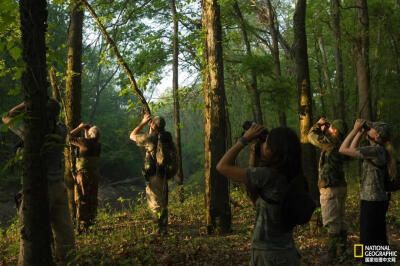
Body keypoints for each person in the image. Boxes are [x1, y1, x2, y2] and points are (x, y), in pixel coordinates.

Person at [2, 99, 75, 266]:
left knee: (31, 232)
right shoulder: (61, 130)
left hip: (38, 189)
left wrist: (25, 104)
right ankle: (68, 261)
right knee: (64, 230)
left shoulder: (31, 133)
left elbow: (7, 117)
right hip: (58, 186)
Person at [217, 125, 302, 266]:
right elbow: (255, 197)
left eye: (265, 143)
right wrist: (254, 155)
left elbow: (222, 166)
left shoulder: (268, 176)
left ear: (273, 151)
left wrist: (244, 140)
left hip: (268, 257)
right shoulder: (292, 175)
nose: (262, 145)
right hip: (288, 253)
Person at [339, 119, 394, 265]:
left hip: (373, 201)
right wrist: (359, 132)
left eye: (373, 129)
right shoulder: (375, 150)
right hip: (374, 200)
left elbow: (343, 149)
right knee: (377, 237)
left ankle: (368, 262)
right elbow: (352, 148)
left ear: (378, 137)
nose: (369, 129)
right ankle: (379, 262)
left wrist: (354, 130)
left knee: (368, 238)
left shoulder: (375, 150)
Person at [307, 118, 348, 262]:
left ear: (335, 131)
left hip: (330, 187)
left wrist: (317, 125)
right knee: (341, 220)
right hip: (340, 186)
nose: (329, 128)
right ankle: (343, 250)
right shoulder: (343, 144)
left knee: (331, 221)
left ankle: (332, 254)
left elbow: (310, 136)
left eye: (331, 127)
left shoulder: (330, 143)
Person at [130, 114, 173, 235]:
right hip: (165, 172)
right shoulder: (167, 136)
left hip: (154, 175)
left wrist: (143, 123)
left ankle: (158, 230)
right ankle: (163, 229)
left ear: (153, 125)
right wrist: (152, 127)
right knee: (163, 202)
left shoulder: (150, 139)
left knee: (155, 203)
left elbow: (132, 136)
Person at [70, 122, 101, 233]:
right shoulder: (97, 144)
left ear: (90, 134)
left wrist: (80, 127)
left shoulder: (83, 142)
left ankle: (82, 225)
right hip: (94, 174)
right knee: (92, 198)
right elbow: (88, 141)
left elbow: (68, 137)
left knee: (82, 198)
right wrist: (87, 130)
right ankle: (91, 222)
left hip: (83, 174)